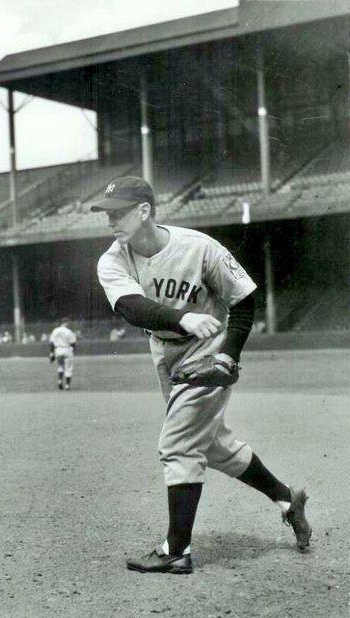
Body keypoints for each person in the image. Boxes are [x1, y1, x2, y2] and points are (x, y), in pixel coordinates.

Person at [93, 176, 311, 575]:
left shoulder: (198, 247)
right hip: (163, 349)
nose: (110, 220)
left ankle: (176, 550)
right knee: (211, 444)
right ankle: (286, 499)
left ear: (144, 211)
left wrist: (228, 355)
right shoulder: (113, 260)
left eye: (118, 212)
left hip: (207, 346)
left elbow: (244, 298)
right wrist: (182, 318)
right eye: (107, 213)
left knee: (177, 444)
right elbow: (130, 306)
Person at [49, 318, 77, 390]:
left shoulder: (55, 330)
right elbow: (73, 343)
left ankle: (60, 381)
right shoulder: (69, 331)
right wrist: (73, 350)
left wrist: (51, 353)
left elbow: (52, 342)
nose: (69, 324)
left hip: (58, 350)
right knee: (68, 368)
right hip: (67, 349)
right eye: (68, 322)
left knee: (60, 366)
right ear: (66, 323)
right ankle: (67, 385)